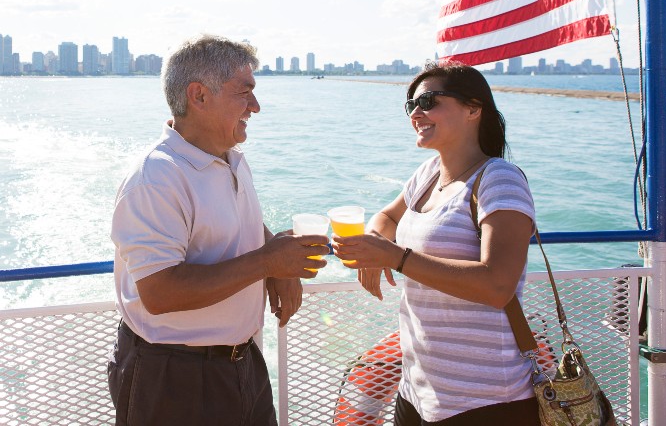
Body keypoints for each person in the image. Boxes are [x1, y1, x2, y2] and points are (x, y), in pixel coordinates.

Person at [107, 34, 328, 426]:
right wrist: (267, 263)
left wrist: (276, 260)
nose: (256, 107)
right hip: (175, 378)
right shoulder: (156, 177)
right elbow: (159, 292)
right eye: (245, 93)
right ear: (199, 96)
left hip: (242, 364)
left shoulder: (230, 159)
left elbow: (237, 221)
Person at [332, 62, 541, 425]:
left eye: (428, 101)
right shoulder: (428, 174)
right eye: (411, 104)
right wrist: (376, 249)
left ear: (474, 109)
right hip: (416, 390)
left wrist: (396, 257)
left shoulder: (500, 180)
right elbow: (387, 217)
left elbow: (498, 284)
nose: (416, 112)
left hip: (484, 398)